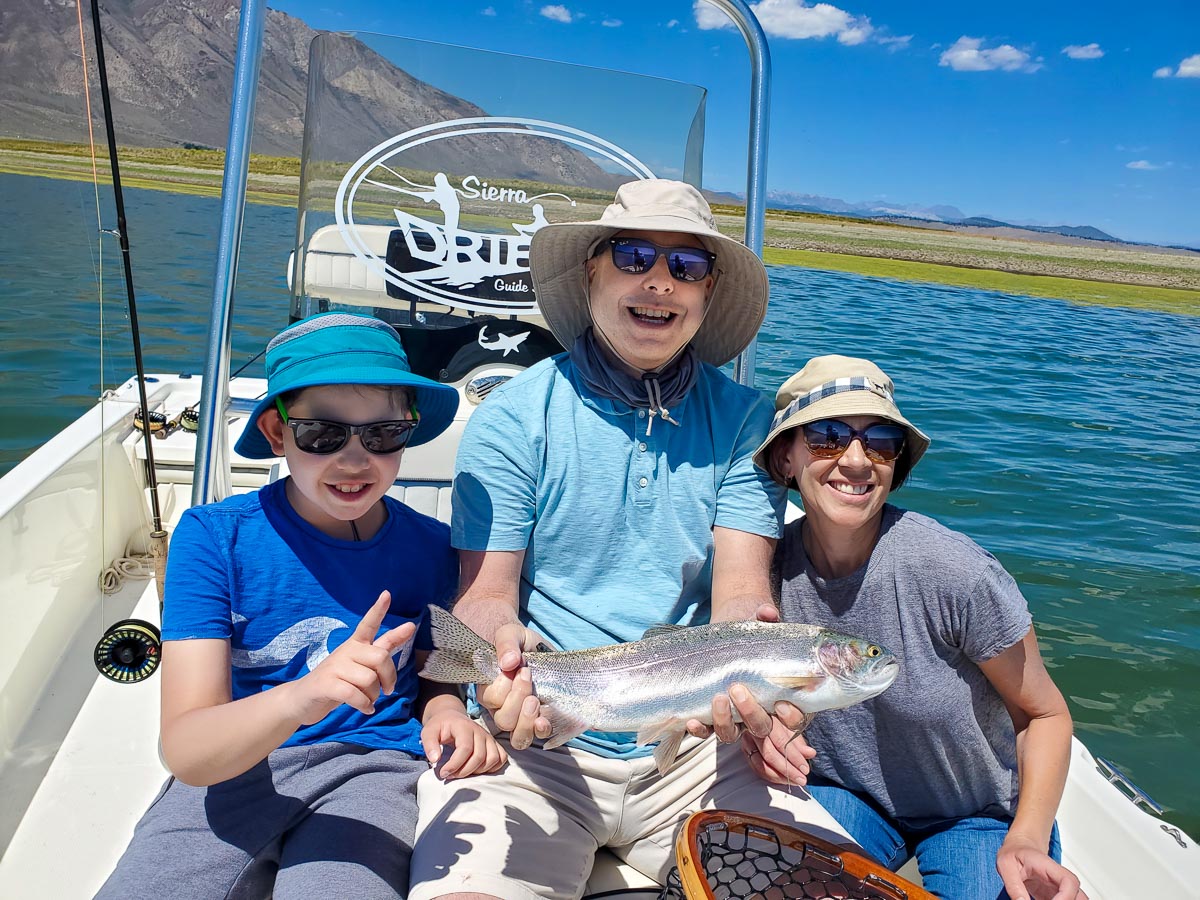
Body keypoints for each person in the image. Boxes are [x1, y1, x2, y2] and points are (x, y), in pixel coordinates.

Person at [407, 180, 857, 900]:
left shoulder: (747, 425)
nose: (658, 281)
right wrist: (496, 664)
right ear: (593, 270)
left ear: (707, 293)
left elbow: (739, 592)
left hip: (699, 755)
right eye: (635, 255)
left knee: (828, 892)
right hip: (534, 749)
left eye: (685, 267)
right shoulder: (512, 418)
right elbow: (486, 596)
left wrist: (758, 681)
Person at [97, 313, 506, 899]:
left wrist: (444, 711)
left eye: (384, 434)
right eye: (322, 434)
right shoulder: (213, 537)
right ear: (275, 431)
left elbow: (432, 666)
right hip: (238, 762)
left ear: (408, 430)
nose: (356, 459)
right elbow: (187, 750)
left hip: (376, 767)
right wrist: (302, 697)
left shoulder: (432, 548)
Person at [753, 354, 1085, 900]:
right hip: (845, 797)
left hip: (975, 812)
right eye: (827, 437)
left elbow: (1044, 713)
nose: (856, 460)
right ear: (785, 457)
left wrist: (1024, 837)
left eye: (880, 440)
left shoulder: (954, 572)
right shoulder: (760, 572)